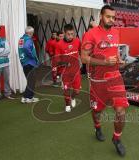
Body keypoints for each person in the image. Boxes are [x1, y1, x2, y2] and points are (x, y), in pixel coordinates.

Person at [81, 5, 129, 157]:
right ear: (101, 16)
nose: (112, 20)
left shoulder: (115, 32)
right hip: (97, 81)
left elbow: (114, 51)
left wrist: (119, 59)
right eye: (109, 17)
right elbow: (84, 58)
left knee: (121, 111)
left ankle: (117, 138)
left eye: (114, 17)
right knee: (97, 111)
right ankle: (97, 126)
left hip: (115, 77)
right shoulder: (90, 34)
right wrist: (104, 62)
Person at [55, 24, 81, 113]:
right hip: (65, 72)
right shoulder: (59, 44)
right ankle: (67, 104)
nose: (71, 36)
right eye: (68, 34)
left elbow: (81, 52)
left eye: (72, 34)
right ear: (64, 33)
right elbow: (57, 60)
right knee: (67, 90)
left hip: (76, 71)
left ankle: (73, 97)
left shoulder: (77, 41)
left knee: (77, 91)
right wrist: (65, 63)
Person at [18, 26, 39, 103]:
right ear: (30, 33)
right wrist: (33, 56)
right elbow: (26, 48)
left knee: (30, 80)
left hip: (24, 62)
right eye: (32, 33)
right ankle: (28, 97)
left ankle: (27, 97)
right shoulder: (28, 39)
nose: (33, 34)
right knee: (32, 81)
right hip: (29, 62)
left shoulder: (21, 39)